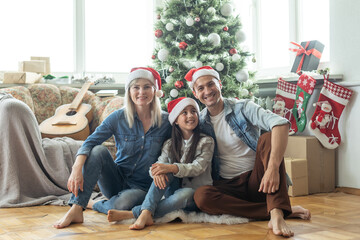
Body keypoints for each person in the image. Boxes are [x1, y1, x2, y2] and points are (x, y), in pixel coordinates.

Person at [184, 66, 311, 238]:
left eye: (211, 84)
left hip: (258, 181)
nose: (207, 91)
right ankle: (279, 210)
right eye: (201, 88)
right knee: (201, 197)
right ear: (195, 93)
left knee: (267, 138)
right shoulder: (199, 121)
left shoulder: (242, 107)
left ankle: (276, 214)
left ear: (220, 84)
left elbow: (281, 124)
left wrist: (272, 169)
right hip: (227, 185)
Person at [53, 67, 171, 228]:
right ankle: (76, 208)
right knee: (98, 150)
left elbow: (177, 149)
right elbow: (90, 142)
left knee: (123, 202)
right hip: (115, 180)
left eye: (147, 87)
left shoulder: (166, 122)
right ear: (129, 91)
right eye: (136, 87)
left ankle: (93, 204)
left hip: (142, 186)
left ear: (155, 91)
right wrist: (76, 168)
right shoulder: (118, 117)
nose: (141, 92)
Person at [105, 97, 214, 230]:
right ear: (176, 121)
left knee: (182, 191)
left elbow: (198, 167)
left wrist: (171, 167)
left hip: (194, 194)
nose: (190, 115)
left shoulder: (206, 142)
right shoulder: (169, 144)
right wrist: (156, 173)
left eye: (194, 111)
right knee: (164, 172)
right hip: (172, 190)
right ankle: (146, 213)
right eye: (184, 113)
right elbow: (158, 164)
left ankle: (135, 213)